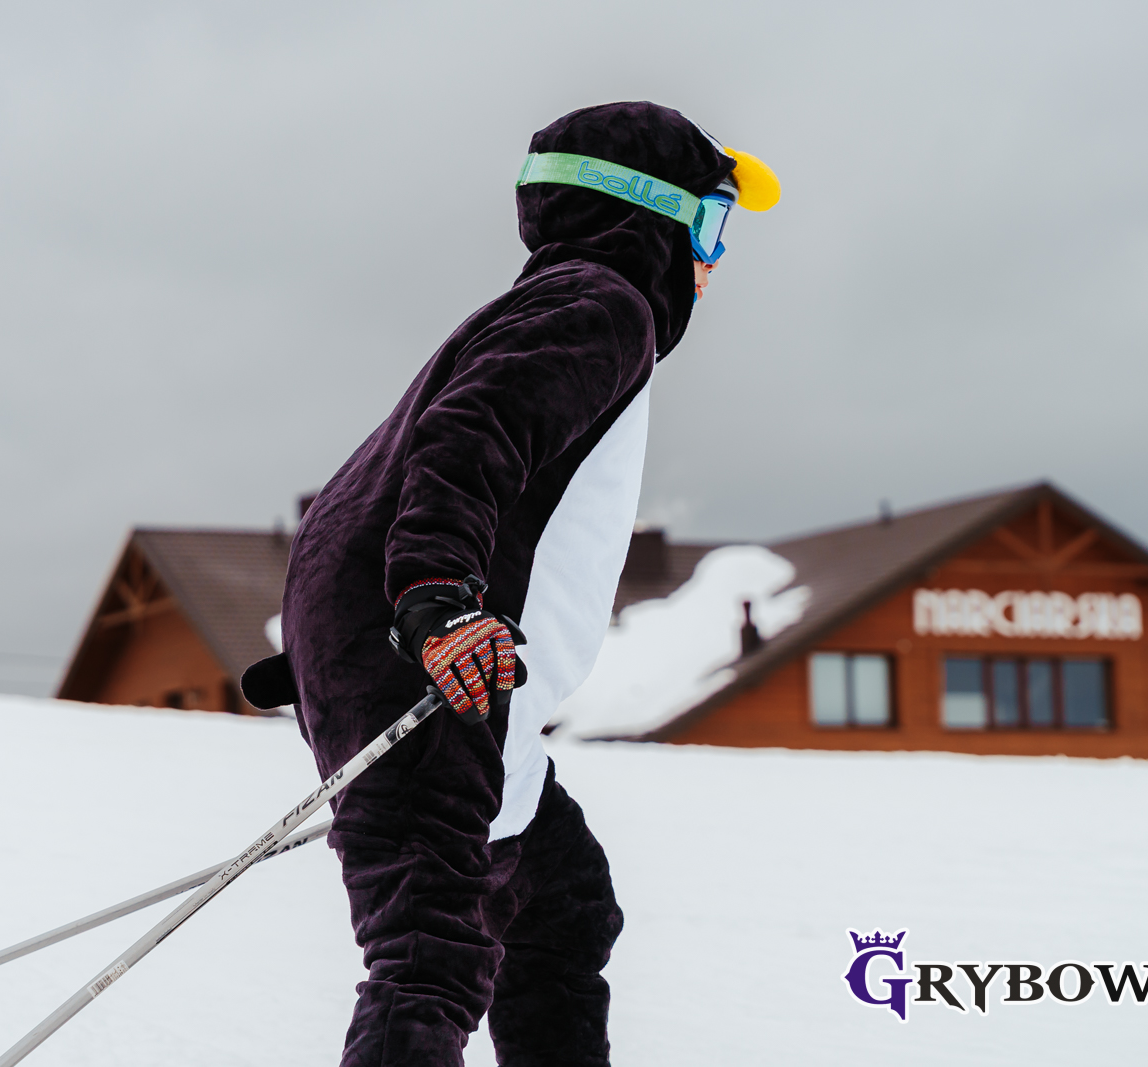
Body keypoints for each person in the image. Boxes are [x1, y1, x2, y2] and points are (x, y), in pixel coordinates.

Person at [257, 100, 778, 1067]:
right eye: (711, 224)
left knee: (563, 906)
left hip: (448, 668)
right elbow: (469, 439)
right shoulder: (599, 308)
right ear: (651, 215)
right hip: (434, 662)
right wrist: (437, 597)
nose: (713, 262)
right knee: (432, 953)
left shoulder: (558, 307)